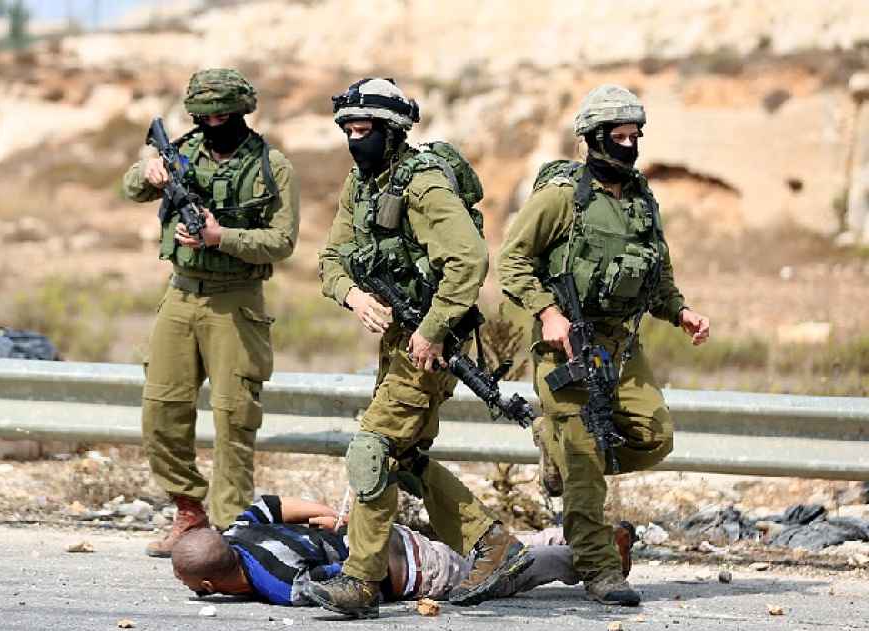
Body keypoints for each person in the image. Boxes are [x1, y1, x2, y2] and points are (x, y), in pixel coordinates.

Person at [311, 77, 532, 619]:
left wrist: (432, 329)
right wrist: (354, 296)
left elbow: (469, 260)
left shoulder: (423, 184)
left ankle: (361, 582)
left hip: (433, 340)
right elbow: (331, 259)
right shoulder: (361, 185)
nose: (355, 139)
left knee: (372, 448)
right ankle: (492, 543)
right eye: (348, 130)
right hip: (397, 339)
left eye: (365, 129)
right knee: (404, 458)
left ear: (391, 132)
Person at [497, 84, 710, 606]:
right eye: (619, 136)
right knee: (585, 463)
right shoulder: (561, 198)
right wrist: (547, 312)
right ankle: (599, 568)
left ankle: (557, 447)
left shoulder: (642, 200)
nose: (629, 145)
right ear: (593, 138)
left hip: (622, 345)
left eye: (635, 136)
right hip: (567, 345)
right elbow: (512, 261)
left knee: (654, 436)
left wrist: (680, 312)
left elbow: (657, 274)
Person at [121, 68, 300, 557]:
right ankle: (188, 511)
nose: (214, 124)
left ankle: (230, 531)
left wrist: (222, 238)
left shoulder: (271, 166)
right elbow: (131, 188)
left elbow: (282, 241)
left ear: (242, 112)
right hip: (180, 297)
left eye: (223, 116)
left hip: (235, 302)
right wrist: (147, 170)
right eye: (205, 117)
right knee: (161, 410)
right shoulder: (181, 154)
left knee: (234, 419)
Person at [171, 495, 636, 606]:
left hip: (414, 570)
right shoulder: (239, 530)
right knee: (476, 557)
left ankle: (595, 558)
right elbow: (271, 504)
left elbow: (350, 581)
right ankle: (576, 539)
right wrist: (332, 517)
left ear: (209, 586)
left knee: (505, 575)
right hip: (390, 535)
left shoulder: (278, 583)